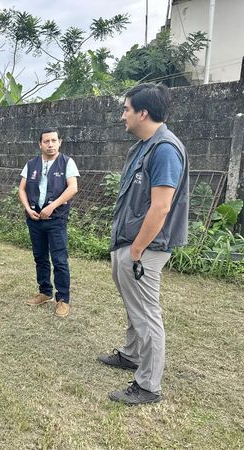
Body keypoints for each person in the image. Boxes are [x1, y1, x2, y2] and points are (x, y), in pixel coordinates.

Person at [98, 83, 189, 405]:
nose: (122, 115)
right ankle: (132, 354)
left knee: (147, 313)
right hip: (129, 242)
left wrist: (136, 250)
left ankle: (148, 385)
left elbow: (161, 207)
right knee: (134, 304)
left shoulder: (165, 149)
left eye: (126, 109)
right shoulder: (142, 146)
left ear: (143, 113)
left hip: (146, 247)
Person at [18, 128, 79, 317]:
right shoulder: (31, 164)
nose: (50, 144)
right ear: (40, 144)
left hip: (56, 220)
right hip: (34, 220)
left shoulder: (67, 162)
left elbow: (73, 188)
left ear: (60, 142)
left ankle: (63, 299)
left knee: (59, 260)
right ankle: (45, 292)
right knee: (40, 257)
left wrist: (52, 207)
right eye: (46, 141)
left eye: (54, 140)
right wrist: (28, 208)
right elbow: (22, 188)